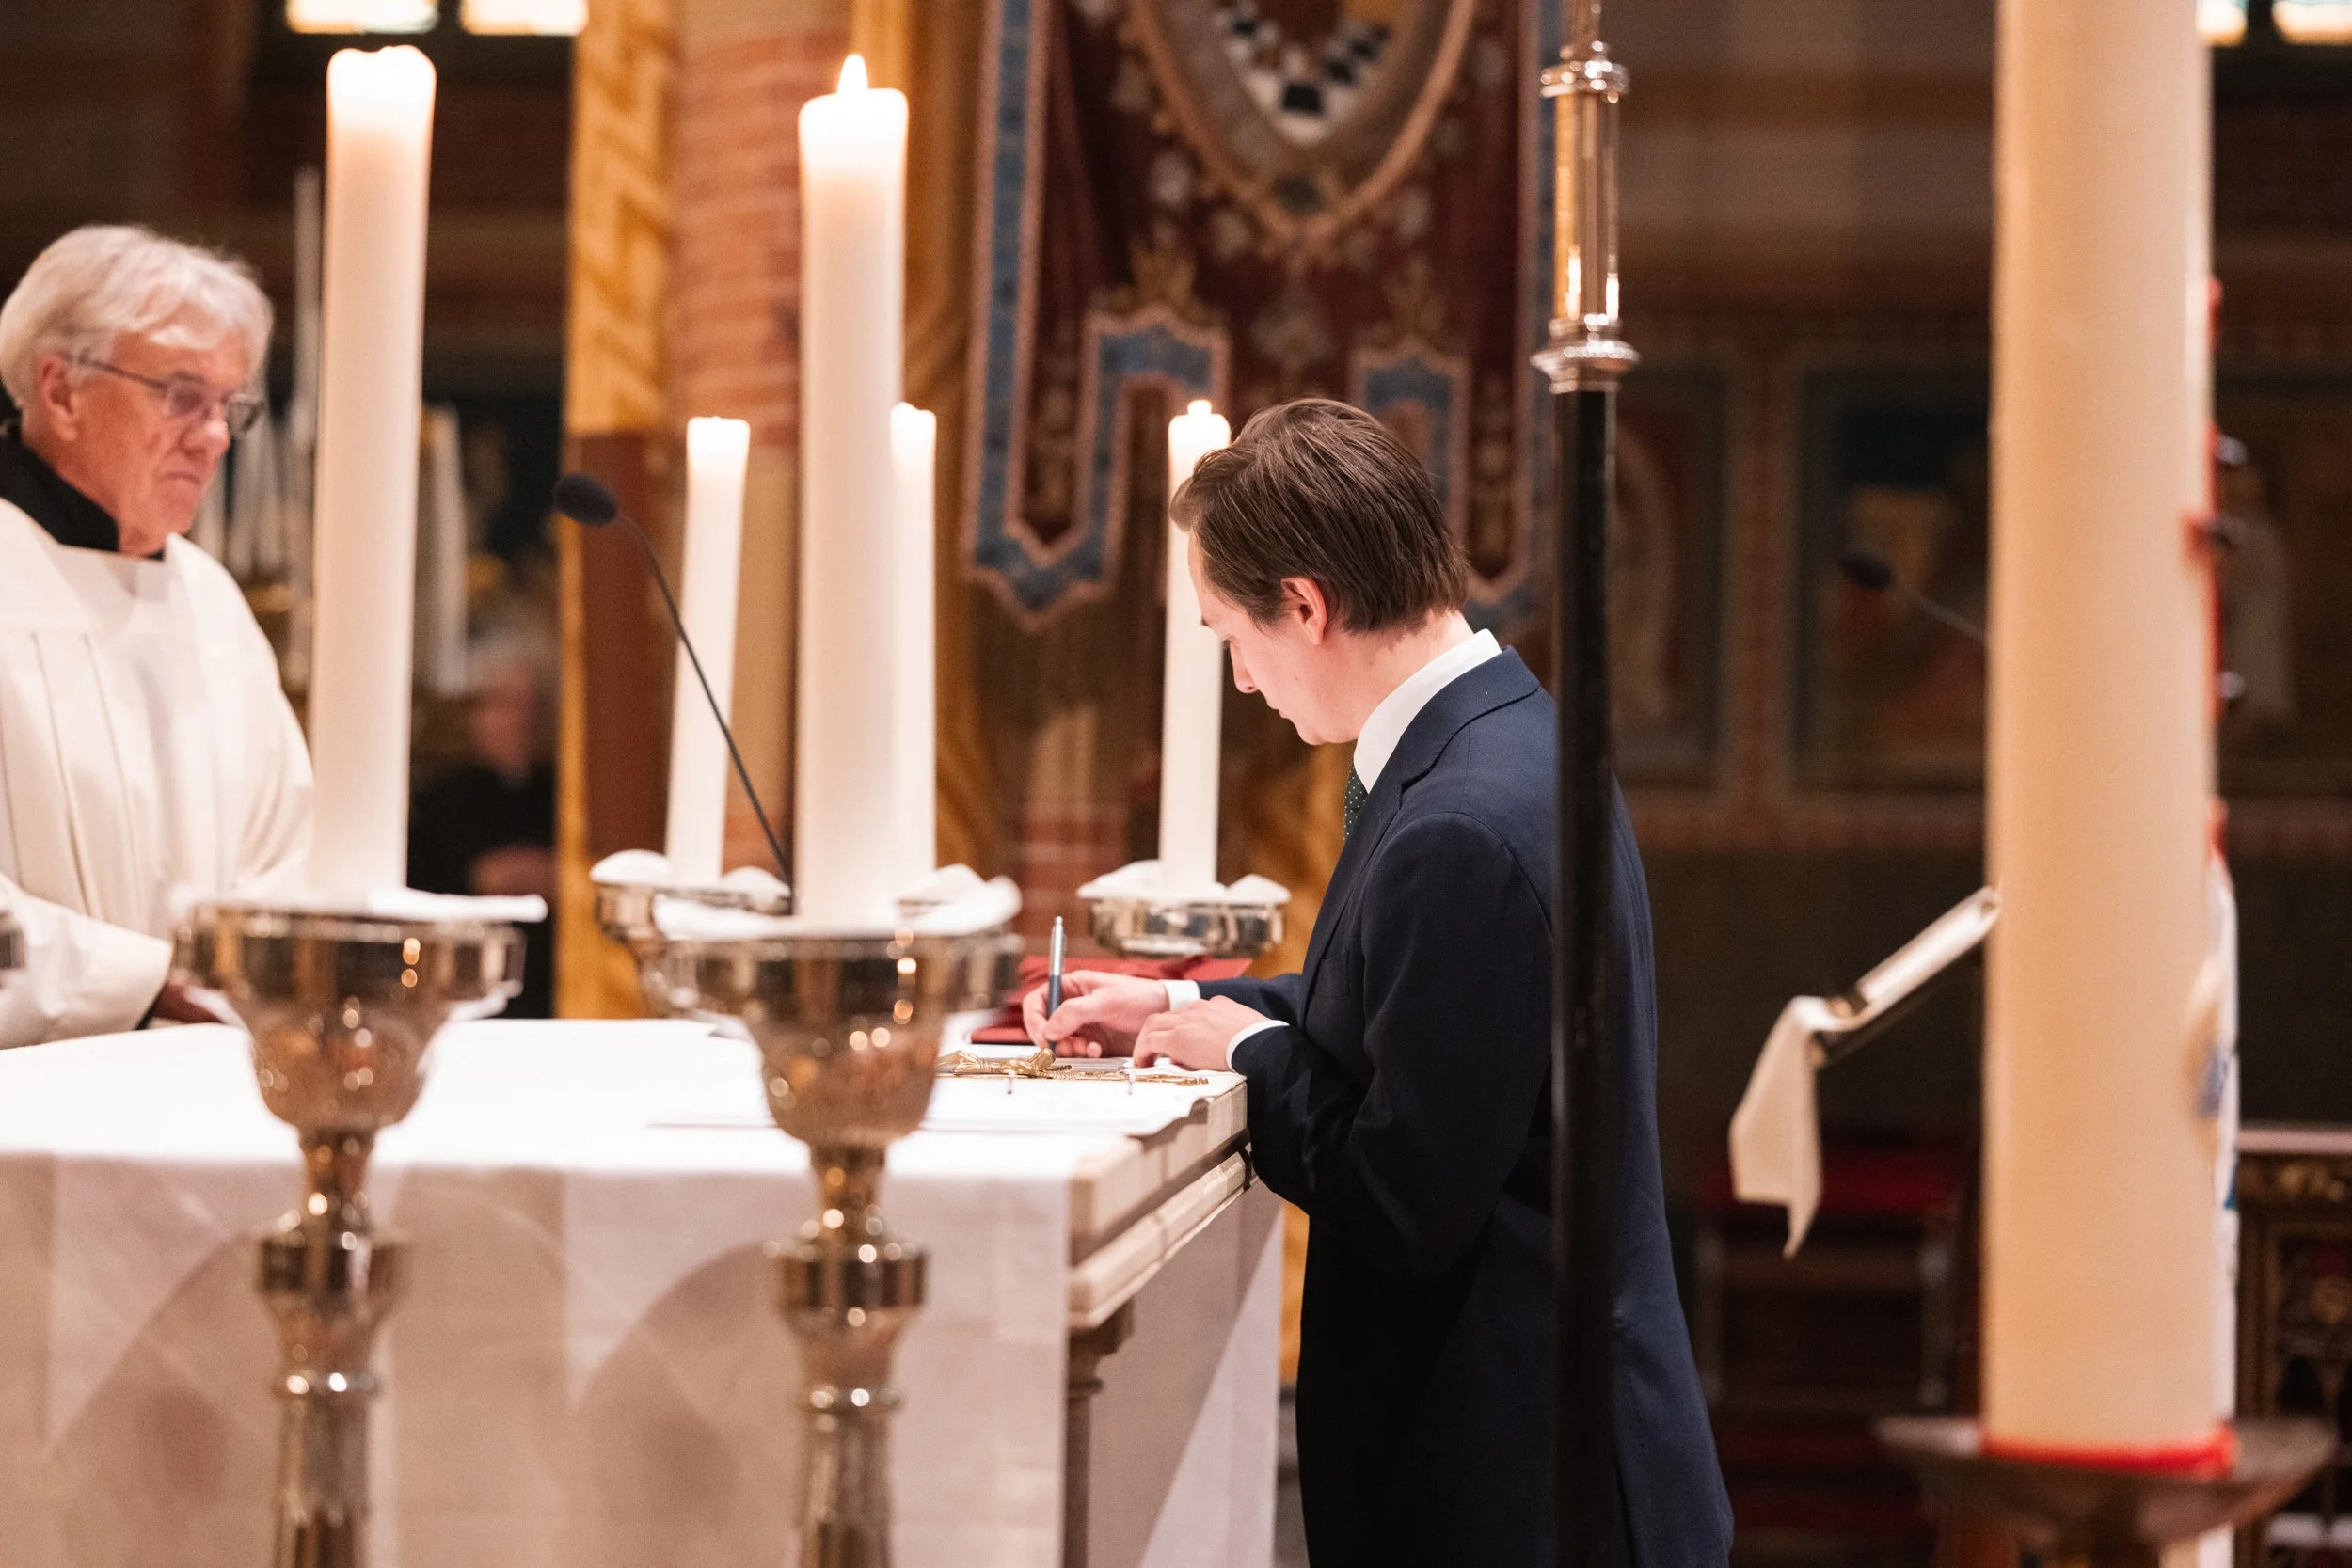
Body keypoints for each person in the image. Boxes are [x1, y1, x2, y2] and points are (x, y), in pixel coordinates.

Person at [1026, 400, 1731, 1566]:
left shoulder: (1459, 820)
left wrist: (1248, 1055)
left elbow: (1405, 1192)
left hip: (1523, 1486)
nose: (1243, 679)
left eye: (1227, 635)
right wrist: (1179, 1009)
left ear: (1304, 604)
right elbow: (1416, 1018)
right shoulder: (1505, 733)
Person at [0, 225, 311, 1048]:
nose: (213, 437)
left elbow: (287, 855)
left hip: (206, 1093)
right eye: (180, 395)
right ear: (61, 391)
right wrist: (136, 985)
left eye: (227, 405)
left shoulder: (211, 604)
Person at [408, 637, 558, 1016]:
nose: (521, 721)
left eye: (531, 707)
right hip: (465, 990)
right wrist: (476, 879)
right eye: (506, 705)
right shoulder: (438, 801)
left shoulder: (562, 799)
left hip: (550, 991)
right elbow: (418, 891)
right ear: (477, 714)